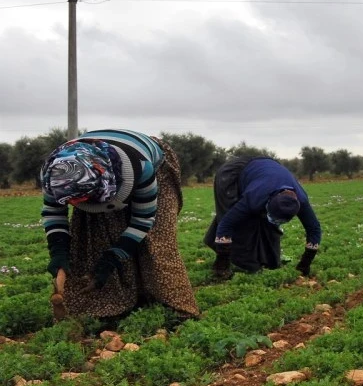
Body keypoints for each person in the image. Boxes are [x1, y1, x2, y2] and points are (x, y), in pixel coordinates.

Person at [40, 130, 199, 320]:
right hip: (97, 174)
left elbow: (143, 220)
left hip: (156, 166)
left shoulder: (141, 167)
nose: (76, 205)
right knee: (94, 239)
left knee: (156, 242)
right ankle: (109, 306)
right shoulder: (56, 175)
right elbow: (54, 213)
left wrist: (111, 259)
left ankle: (174, 308)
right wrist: (58, 253)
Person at [203, 156, 322, 280]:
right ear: (269, 201)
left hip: (265, 173)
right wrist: (222, 261)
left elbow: (314, 229)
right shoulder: (254, 198)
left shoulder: (301, 201)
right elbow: (227, 223)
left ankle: (266, 260)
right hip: (233, 174)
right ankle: (232, 262)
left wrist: (305, 263)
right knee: (243, 223)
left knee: (268, 227)